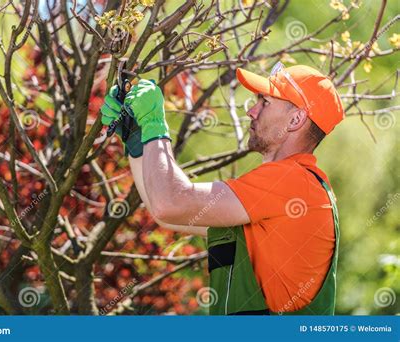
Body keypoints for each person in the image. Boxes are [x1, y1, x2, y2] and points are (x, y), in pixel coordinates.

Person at [100, 61, 345, 315]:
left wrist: (154, 124)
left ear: (296, 119)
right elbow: (164, 210)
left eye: (265, 102)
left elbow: (169, 203)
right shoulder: (281, 194)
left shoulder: (294, 183)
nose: (251, 111)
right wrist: (138, 138)